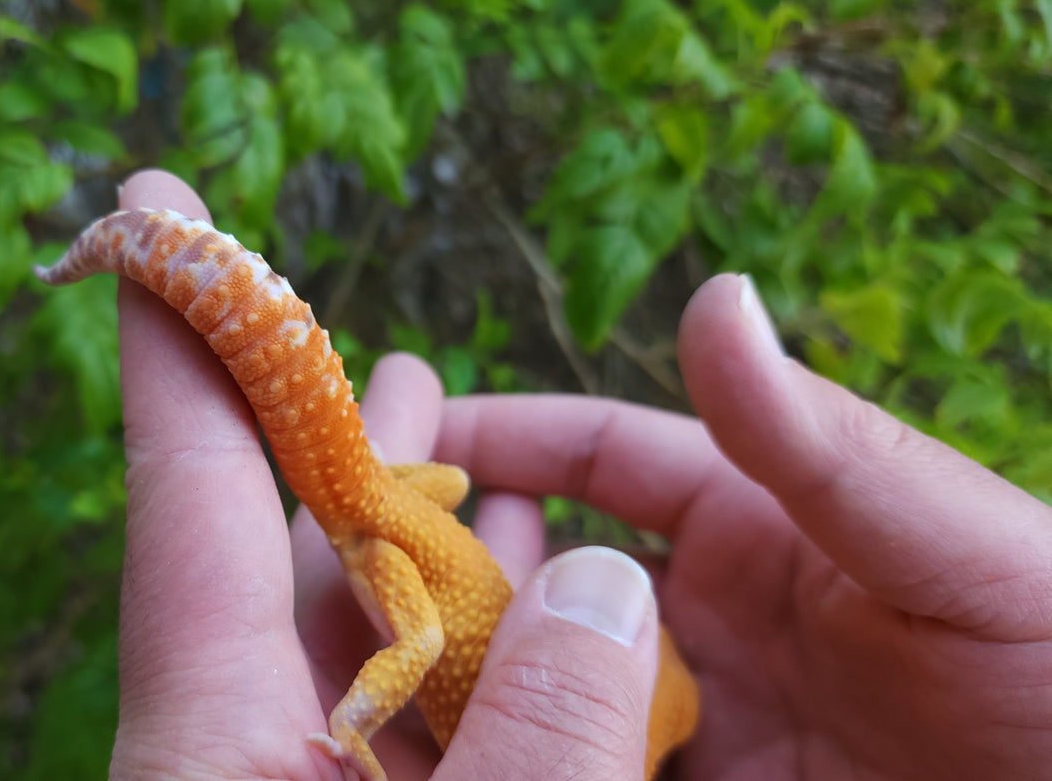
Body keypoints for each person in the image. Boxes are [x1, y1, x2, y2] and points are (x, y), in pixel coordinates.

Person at [104, 170, 1052, 780]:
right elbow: (423, 640)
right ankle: (351, 720)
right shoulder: (624, 744)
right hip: (379, 526)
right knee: (421, 632)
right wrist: (353, 727)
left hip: (398, 499)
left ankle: (122, 250)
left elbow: (451, 495)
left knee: (431, 513)